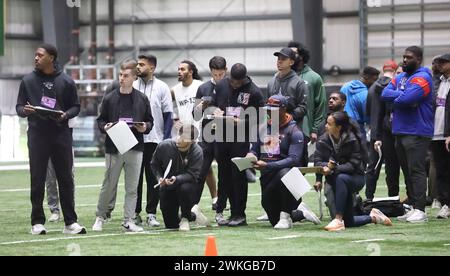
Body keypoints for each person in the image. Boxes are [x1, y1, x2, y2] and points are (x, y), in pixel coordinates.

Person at [16, 44, 86, 235]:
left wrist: (65, 115)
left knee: (66, 179)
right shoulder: (28, 80)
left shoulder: (66, 81)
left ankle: (70, 223)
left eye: (40, 55)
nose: (36, 58)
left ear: (52, 58)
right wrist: (25, 111)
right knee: (37, 178)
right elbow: (19, 107)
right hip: (37, 135)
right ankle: (37, 222)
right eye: (35, 55)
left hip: (61, 135)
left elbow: (75, 107)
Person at [93, 61, 153, 232]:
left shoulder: (142, 98)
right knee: (108, 185)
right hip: (114, 147)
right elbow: (101, 120)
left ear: (134, 77)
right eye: (120, 75)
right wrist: (104, 127)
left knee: (132, 187)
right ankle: (100, 216)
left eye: (126, 75)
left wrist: (145, 127)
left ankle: (129, 220)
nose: (121, 78)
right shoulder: (110, 98)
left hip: (135, 147)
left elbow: (150, 121)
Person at [247, 95, 321, 229]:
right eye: (268, 109)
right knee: (271, 215)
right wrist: (250, 155)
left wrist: (268, 165)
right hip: (268, 175)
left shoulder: (295, 131)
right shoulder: (264, 128)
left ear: (283, 109)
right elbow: (255, 149)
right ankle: (301, 212)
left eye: (273, 110)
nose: (269, 112)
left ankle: (286, 215)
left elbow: (294, 159)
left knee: (284, 173)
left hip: (291, 178)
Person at [315, 112, 392, 232]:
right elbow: (317, 161)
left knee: (341, 178)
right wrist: (325, 168)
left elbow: (353, 166)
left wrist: (332, 168)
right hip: (335, 180)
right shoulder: (323, 140)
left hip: (355, 178)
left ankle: (338, 220)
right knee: (349, 222)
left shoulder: (352, 139)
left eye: (329, 124)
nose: (326, 126)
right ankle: (374, 217)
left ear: (338, 127)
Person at [382, 46, 434, 223]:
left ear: (418, 59)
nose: (404, 60)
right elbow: (384, 94)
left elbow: (407, 99)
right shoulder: (401, 77)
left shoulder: (423, 78)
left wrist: (399, 98)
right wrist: (402, 96)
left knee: (416, 170)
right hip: (400, 130)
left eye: (409, 57)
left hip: (417, 131)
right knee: (407, 171)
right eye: (403, 57)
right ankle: (413, 206)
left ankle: (421, 209)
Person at [212, 63, 265, 227]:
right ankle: (223, 211)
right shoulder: (221, 85)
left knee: (238, 176)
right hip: (222, 137)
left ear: (243, 79)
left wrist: (240, 122)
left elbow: (262, 118)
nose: (233, 85)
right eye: (232, 81)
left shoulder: (254, 92)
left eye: (237, 83)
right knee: (224, 175)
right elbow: (214, 104)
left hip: (241, 139)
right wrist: (215, 112)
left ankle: (239, 214)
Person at [134, 55, 173, 227]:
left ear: (152, 68)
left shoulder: (162, 87)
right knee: (134, 180)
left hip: (155, 141)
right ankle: (134, 213)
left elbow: (168, 115)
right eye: (137, 63)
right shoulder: (132, 86)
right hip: (134, 140)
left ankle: (151, 214)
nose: (138, 67)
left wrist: (165, 140)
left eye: (142, 64)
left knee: (153, 179)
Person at [151, 124, 209, 231]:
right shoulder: (164, 146)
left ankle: (185, 218)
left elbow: (192, 175)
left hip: (186, 187)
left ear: (192, 141)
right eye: (180, 134)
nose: (180, 138)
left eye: (185, 137)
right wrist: (159, 178)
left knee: (185, 188)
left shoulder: (197, 152)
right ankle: (194, 215)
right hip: (167, 187)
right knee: (171, 225)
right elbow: (154, 164)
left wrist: (176, 179)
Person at [194, 56, 226, 210]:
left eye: (221, 74)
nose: (218, 78)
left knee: (225, 173)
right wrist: (199, 107)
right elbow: (196, 116)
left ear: (226, 71)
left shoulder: (231, 87)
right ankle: (192, 207)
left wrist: (224, 113)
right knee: (200, 172)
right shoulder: (203, 88)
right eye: (215, 74)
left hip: (227, 136)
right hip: (207, 136)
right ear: (211, 72)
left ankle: (222, 207)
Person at [365, 60, 399, 200]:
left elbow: (367, 110)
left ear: (383, 69)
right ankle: (393, 197)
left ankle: (369, 198)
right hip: (389, 133)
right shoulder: (393, 87)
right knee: (392, 167)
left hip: (375, 133)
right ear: (395, 71)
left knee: (373, 167)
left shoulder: (372, 87)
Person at [288, 41, 327, 144]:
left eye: (293, 53)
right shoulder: (282, 77)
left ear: (301, 56)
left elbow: (320, 106)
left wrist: (315, 129)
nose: (289, 56)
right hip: (284, 129)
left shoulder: (314, 78)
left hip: (304, 130)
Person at [430, 54, 450, 219]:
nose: (441, 65)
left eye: (444, 62)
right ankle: (445, 203)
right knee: (442, 170)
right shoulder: (438, 81)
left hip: (447, 133)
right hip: (436, 133)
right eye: (439, 63)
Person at [341, 67, 380, 138]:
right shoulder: (366, 95)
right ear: (366, 77)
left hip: (341, 126)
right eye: (374, 80)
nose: (376, 84)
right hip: (357, 129)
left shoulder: (345, 86)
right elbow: (367, 115)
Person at [172, 60, 203, 131]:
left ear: (190, 72)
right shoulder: (174, 90)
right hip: (183, 133)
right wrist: (174, 120)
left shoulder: (201, 86)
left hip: (200, 131)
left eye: (182, 69)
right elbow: (168, 108)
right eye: (178, 69)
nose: (179, 72)